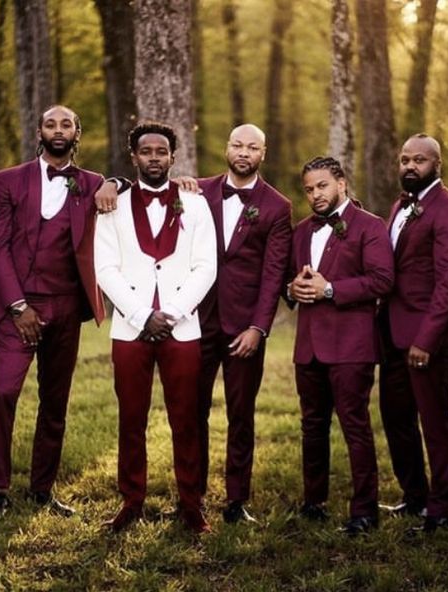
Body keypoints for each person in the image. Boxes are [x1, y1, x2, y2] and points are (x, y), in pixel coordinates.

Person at [0, 105, 109, 517]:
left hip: (67, 308)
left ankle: (42, 488)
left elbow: (139, 189)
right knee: (4, 393)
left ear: (78, 133)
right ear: (38, 131)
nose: (59, 131)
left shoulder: (92, 185)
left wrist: (116, 180)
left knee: (55, 401)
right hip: (17, 306)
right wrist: (17, 305)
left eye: (67, 124)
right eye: (51, 124)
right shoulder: (7, 181)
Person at [94, 122, 217, 534]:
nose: (153, 158)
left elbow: (206, 267)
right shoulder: (112, 205)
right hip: (131, 329)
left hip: (182, 329)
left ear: (172, 156)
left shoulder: (194, 204)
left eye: (161, 151)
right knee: (132, 418)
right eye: (145, 151)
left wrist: (175, 312)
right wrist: (140, 314)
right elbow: (105, 268)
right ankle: (132, 500)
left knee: (186, 418)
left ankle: (191, 503)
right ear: (134, 157)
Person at [286, 156, 393, 535]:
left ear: (342, 183)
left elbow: (382, 280)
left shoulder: (370, 226)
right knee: (312, 427)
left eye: (322, 186)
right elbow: (291, 281)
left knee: (355, 427)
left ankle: (364, 511)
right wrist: (292, 289)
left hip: (351, 347)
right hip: (308, 347)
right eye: (309, 189)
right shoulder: (300, 231)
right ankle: (314, 502)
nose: (315, 194)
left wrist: (330, 289)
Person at [196, 124, 292, 523]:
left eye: (252, 147)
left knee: (241, 414)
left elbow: (273, 275)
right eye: (237, 144)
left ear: (262, 154)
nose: (243, 152)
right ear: (226, 147)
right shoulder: (197, 192)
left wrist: (259, 328)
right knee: (191, 411)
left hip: (244, 328)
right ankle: (192, 494)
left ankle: (236, 500)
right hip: (196, 320)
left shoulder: (277, 206)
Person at [379, 134, 448, 533]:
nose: (410, 166)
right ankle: (414, 496)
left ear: (437, 164)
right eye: (404, 159)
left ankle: (441, 508)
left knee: (435, 422)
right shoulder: (401, 205)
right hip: (391, 335)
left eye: (419, 160)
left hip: (428, 340)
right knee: (395, 417)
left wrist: (427, 340)